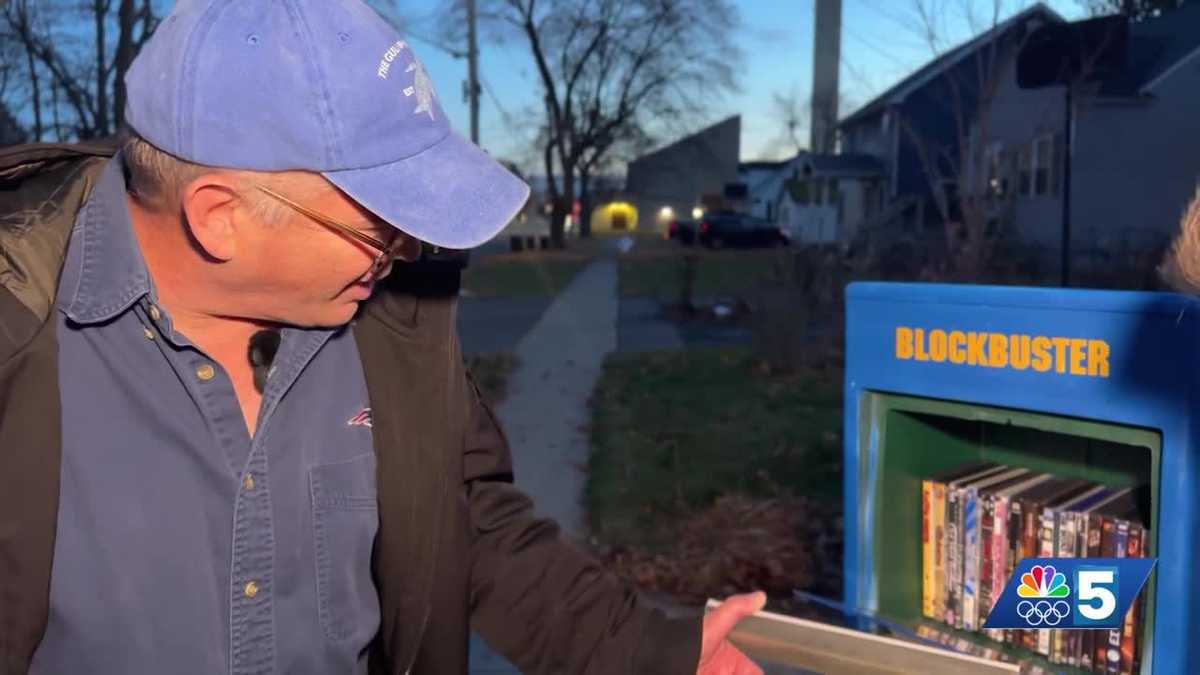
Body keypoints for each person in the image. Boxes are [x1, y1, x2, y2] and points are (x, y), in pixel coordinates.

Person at [0, 1, 767, 673]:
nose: (408, 249)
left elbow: (465, 522)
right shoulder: (19, 330)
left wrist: (643, 651)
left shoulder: (391, 320)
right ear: (219, 216)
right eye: (380, 224)